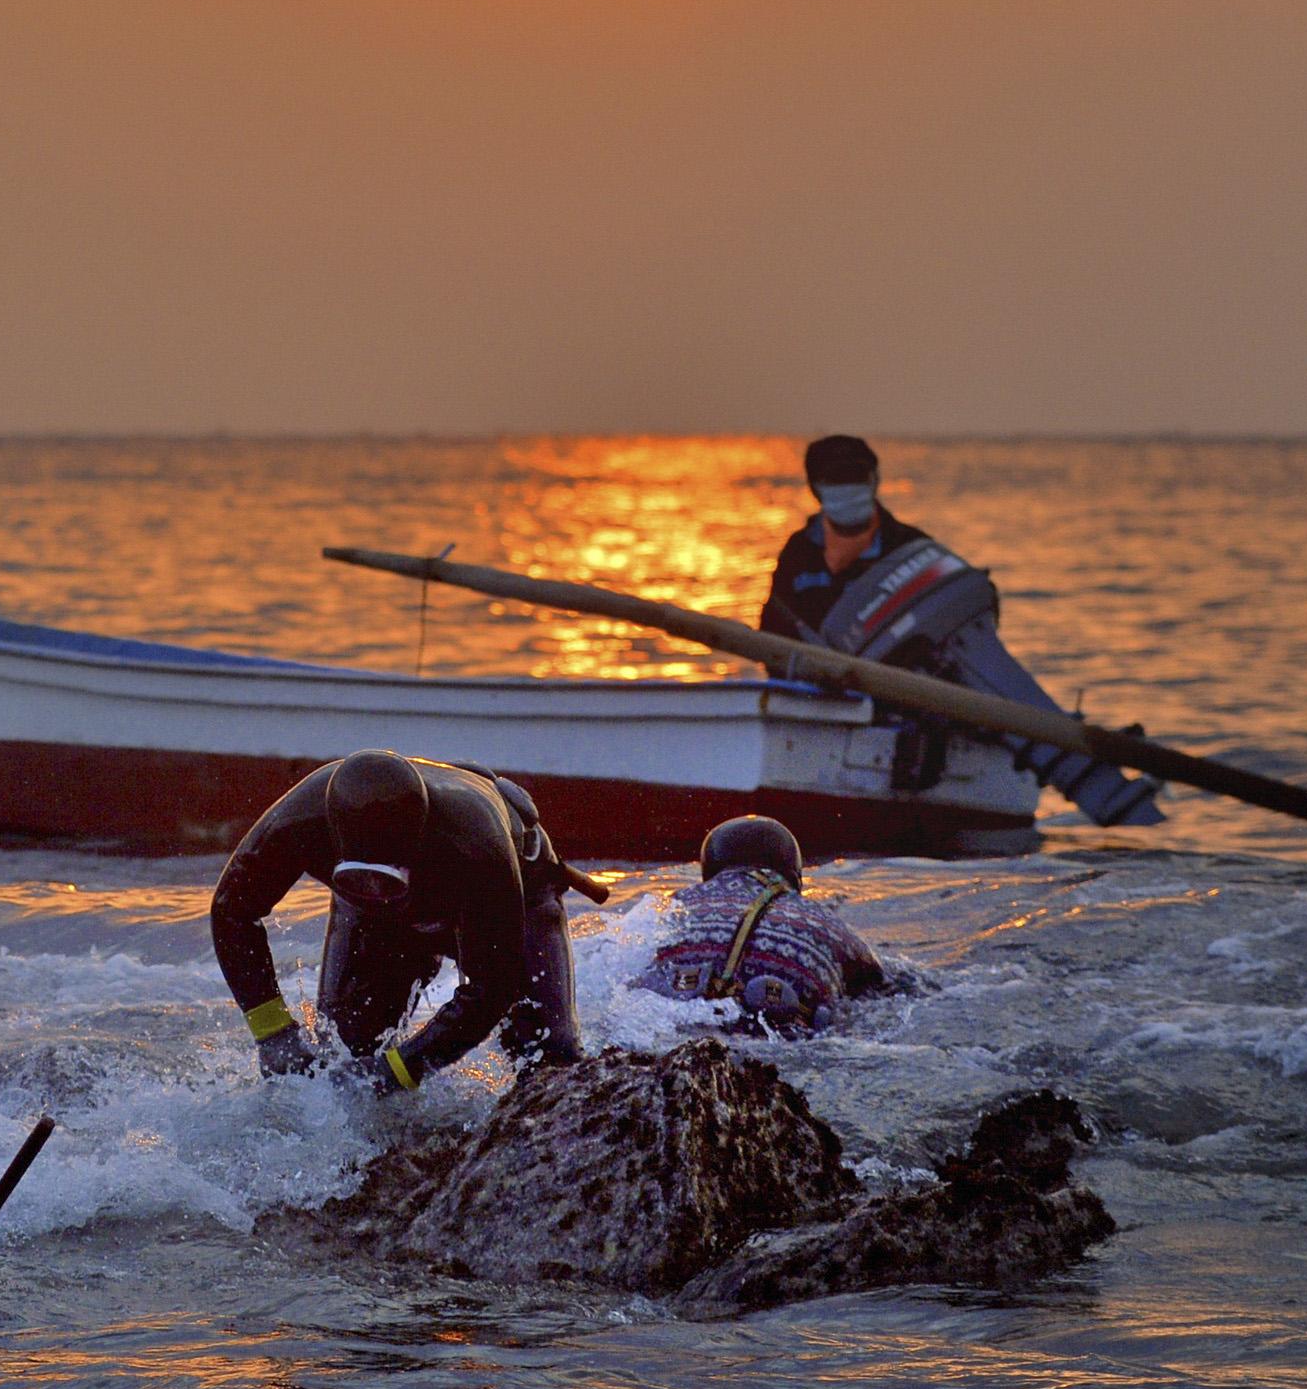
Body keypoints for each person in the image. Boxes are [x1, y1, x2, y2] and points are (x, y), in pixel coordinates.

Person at [760, 434, 1164, 828]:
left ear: (874, 481)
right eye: (836, 480)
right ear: (816, 488)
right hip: (838, 699)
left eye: (856, 477)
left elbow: (967, 611)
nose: (848, 490)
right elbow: (773, 640)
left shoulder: (912, 546)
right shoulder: (797, 556)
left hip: (924, 694)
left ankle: (1090, 774)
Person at [214, 749, 585, 1091]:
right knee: (346, 1051)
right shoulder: (297, 824)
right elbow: (232, 912)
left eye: (386, 882)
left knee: (549, 1059)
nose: (377, 894)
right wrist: (273, 1032)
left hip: (517, 897)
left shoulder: (476, 847)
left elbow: (493, 986)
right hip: (372, 922)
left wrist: (401, 1070)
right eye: (362, 880)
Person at [637, 816, 887, 1033]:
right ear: (795, 871)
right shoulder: (827, 924)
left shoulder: (674, 905)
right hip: (782, 1037)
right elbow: (887, 988)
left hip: (668, 1025)